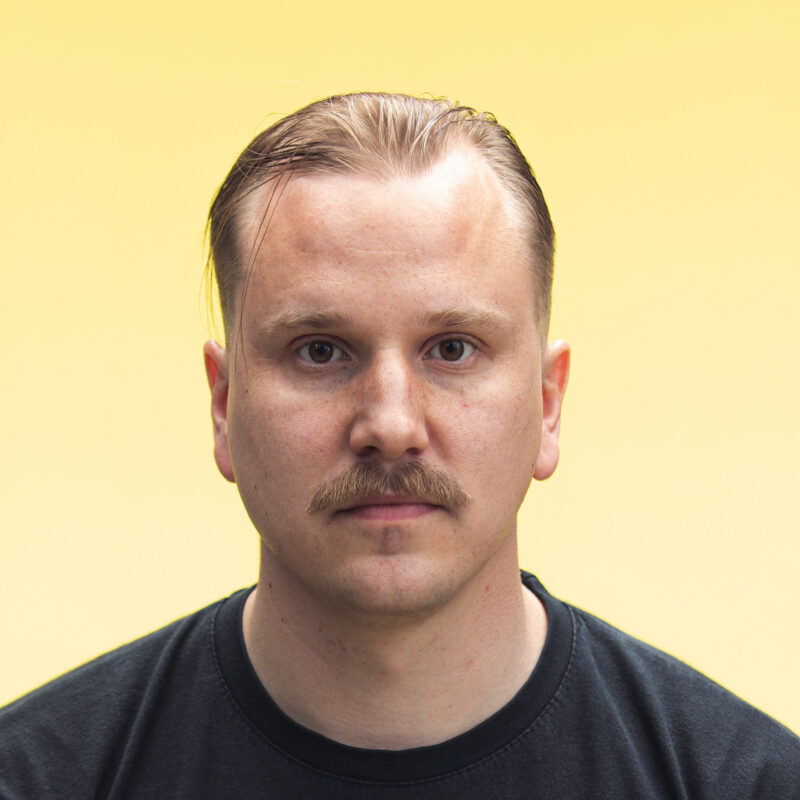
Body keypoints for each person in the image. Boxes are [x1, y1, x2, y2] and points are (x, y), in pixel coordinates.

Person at [1, 92, 798, 799]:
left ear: (547, 403)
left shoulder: (747, 783)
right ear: (223, 403)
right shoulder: (38, 778)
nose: (390, 425)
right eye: (320, 351)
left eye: (452, 349)